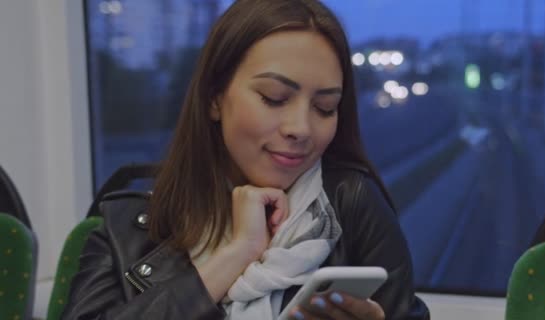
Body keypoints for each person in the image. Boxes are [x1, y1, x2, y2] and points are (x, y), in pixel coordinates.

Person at [63, 0, 429, 319]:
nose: (301, 128)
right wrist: (236, 255)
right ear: (214, 98)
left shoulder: (351, 202)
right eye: (274, 98)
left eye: (324, 107)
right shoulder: (125, 227)